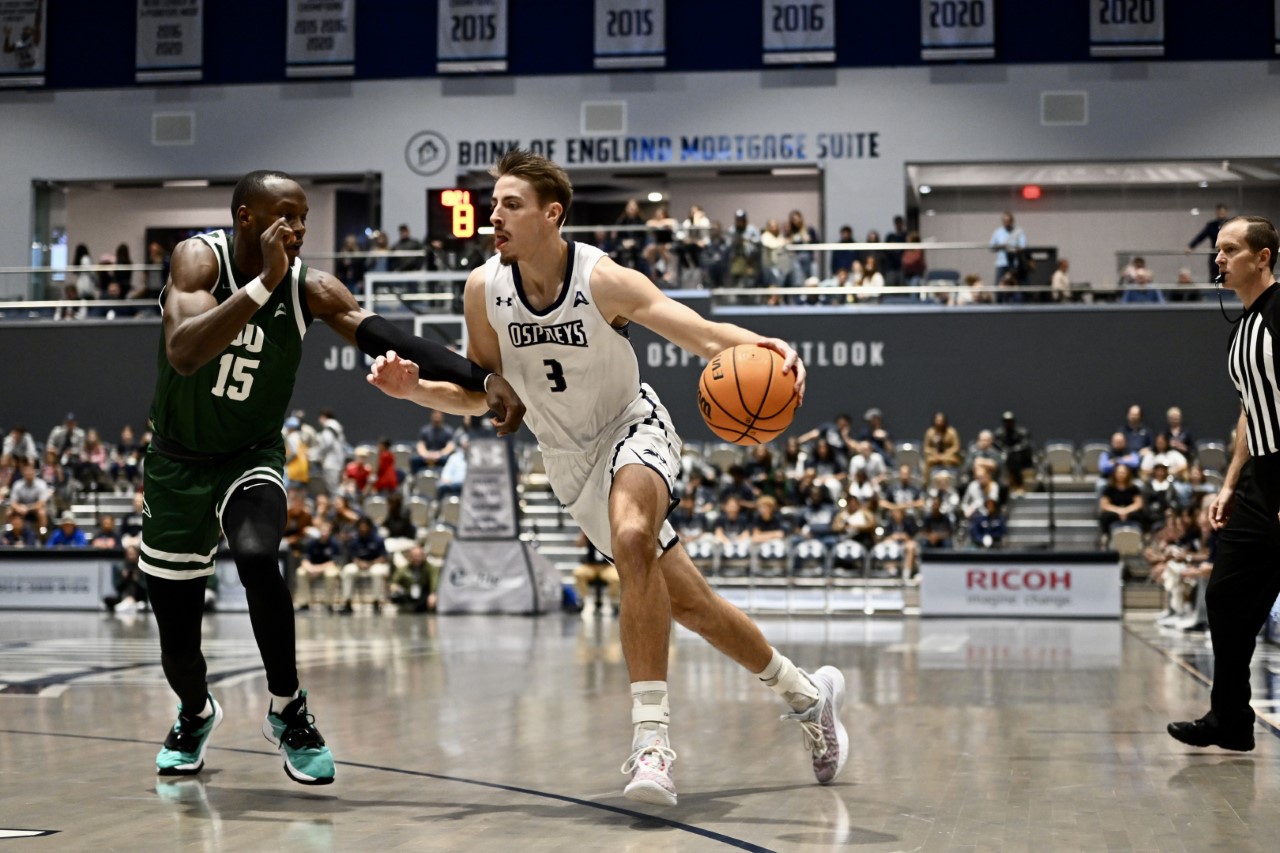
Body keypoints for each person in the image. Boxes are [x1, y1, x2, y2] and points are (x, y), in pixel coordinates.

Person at [368, 149, 846, 806]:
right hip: (568, 464)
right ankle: (808, 696)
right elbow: (486, 395)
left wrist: (765, 347)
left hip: (632, 426)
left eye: (511, 204)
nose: (494, 216)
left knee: (631, 535)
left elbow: (704, 336)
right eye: (493, 204)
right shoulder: (483, 290)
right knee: (693, 606)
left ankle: (652, 744)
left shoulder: (603, 279)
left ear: (552, 214)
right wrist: (414, 390)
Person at [141, 169, 525, 786]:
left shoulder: (311, 288)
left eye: (303, 218)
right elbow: (185, 352)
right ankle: (194, 711)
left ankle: (288, 708)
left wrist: (481, 379)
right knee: (178, 644)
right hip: (176, 464)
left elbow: (388, 336)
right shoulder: (199, 260)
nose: (297, 229)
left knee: (258, 556)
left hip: (249, 455)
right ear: (245, 218)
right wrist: (263, 284)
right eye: (284, 216)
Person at [1169, 215, 1280, 752]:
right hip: (1259, 481)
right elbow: (1249, 411)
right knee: (1227, 596)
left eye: (1230, 249)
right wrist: (1231, 482)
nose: (1218, 258)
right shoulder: (1242, 329)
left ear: (1262, 257)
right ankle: (1231, 719)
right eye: (1217, 250)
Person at [1187, 203, 1229, 283]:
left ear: (1226, 212)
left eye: (1223, 212)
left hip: (1228, 254)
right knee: (1214, 275)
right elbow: (1201, 236)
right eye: (1219, 212)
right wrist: (1191, 246)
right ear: (1217, 213)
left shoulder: (1231, 224)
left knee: (1227, 275)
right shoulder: (1211, 225)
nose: (1221, 214)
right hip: (1215, 254)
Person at [989, 211, 1027, 294]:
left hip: (1014, 264)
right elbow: (991, 247)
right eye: (1004, 222)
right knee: (999, 286)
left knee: (1015, 286)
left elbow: (1023, 246)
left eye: (1008, 222)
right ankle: (999, 301)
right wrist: (1001, 246)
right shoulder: (998, 232)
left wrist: (1013, 248)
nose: (1006, 224)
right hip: (1001, 263)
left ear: (1012, 221)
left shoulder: (1019, 231)